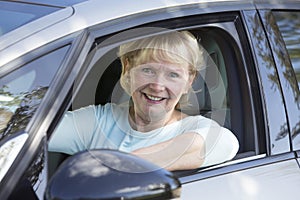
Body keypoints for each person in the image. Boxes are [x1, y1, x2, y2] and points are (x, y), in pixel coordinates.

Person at [48, 30, 239, 171]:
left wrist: (115, 169)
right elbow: (31, 132)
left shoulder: (195, 128)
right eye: (148, 70)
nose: (157, 85)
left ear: (189, 81)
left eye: (172, 75)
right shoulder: (100, 121)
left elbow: (225, 143)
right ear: (127, 69)